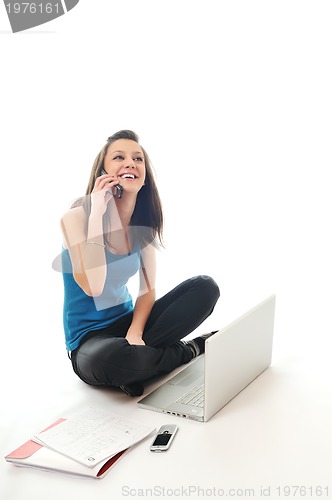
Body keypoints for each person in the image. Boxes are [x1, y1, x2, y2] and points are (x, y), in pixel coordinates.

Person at [60, 130, 220, 397]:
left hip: (129, 323)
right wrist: (98, 213)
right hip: (90, 342)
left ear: (144, 177)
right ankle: (188, 349)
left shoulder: (141, 229)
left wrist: (135, 333)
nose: (130, 163)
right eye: (119, 157)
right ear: (103, 172)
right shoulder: (76, 218)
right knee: (109, 359)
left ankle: (137, 365)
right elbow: (93, 287)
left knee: (205, 287)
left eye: (138, 158)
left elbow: (147, 292)